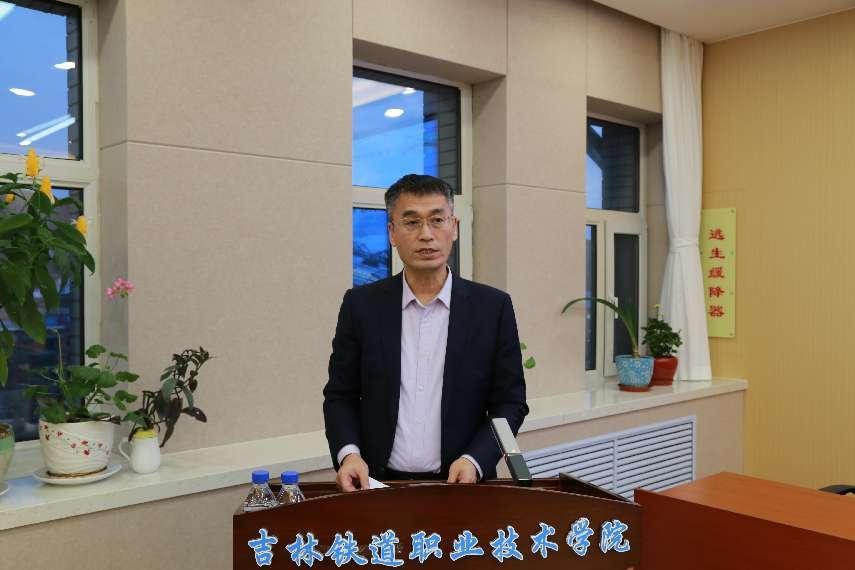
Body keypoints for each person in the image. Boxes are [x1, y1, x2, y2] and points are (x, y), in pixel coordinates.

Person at [323, 174, 528, 491]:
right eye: (411, 222)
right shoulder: (361, 306)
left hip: (462, 487)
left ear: (454, 227)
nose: (426, 235)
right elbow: (340, 395)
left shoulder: (492, 308)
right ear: (392, 232)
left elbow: (509, 404)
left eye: (437, 220)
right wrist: (349, 455)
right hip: (377, 485)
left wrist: (475, 460)